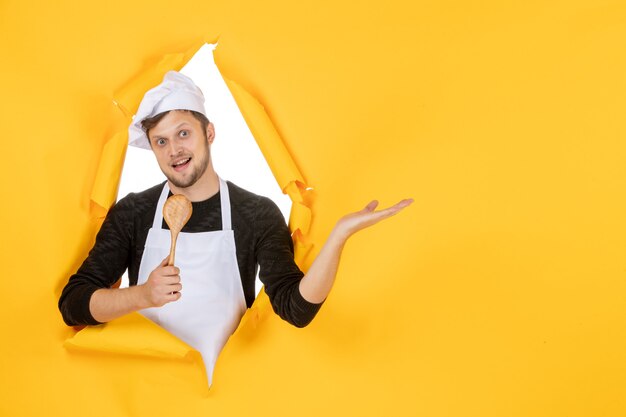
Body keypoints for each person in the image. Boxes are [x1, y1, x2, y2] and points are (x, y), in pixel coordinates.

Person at [58, 71, 413, 384]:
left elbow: (295, 309)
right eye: (161, 141)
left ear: (208, 132)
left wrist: (339, 236)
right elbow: (73, 304)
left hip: (223, 396)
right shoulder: (134, 211)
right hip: (146, 393)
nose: (174, 151)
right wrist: (143, 295)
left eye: (184, 133)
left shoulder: (255, 213)